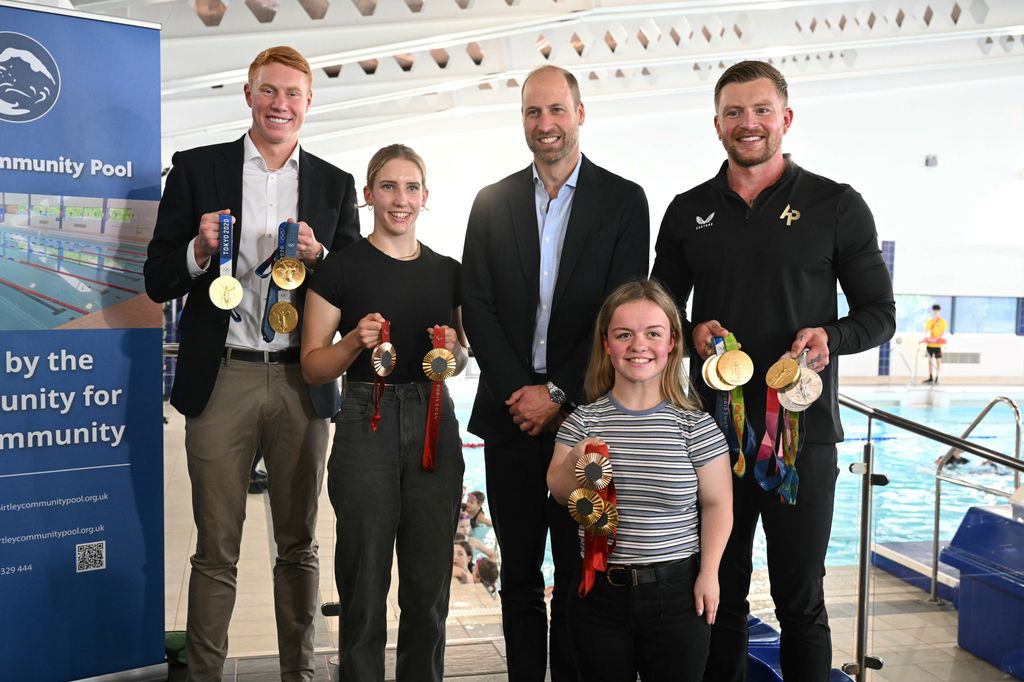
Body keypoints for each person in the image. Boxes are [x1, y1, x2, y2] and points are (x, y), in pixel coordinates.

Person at [650, 60, 896, 682]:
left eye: (761, 110)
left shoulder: (836, 205)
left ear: (785, 119)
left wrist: (829, 337)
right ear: (717, 125)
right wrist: (687, 334)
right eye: (734, 112)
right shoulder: (687, 211)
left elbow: (880, 315)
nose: (748, 123)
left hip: (802, 437)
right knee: (717, 598)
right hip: (713, 441)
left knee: (801, 605)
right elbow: (657, 312)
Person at [143, 46, 360, 682]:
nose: (280, 105)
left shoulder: (334, 184)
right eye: (269, 91)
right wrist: (196, 248)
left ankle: (302, 673)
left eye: (293, 94)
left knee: (298, 546)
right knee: (216, 549)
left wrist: (321, 260)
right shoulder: (195, 169)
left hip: (302, 377)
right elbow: (157, 280)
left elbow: (354, 295)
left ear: (309, 103)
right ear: (248, 95)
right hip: (224, 377)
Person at [461, 64, 650, 682]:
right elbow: (477, 304)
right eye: (532, 113)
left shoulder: (623, 202)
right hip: (511, 415)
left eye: (556, 110)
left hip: (586, 418)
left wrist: (558, 392)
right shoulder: (492, 202)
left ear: (580, 113)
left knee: (579, 575)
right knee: (518, 574)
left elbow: (620, 313)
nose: (545, 125)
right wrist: (524, 392)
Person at [300, 144, 468, 682]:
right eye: (389, 187)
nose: (401, 199)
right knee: (364, 581)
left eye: (412, 187)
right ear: (368, 194)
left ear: (426, 197)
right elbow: (312, 365)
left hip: (433, 423)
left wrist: (452, 351)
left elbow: (461, 358)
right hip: (363, 416)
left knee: (428, 585)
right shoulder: (341, 269)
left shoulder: (449, 272)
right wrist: (352, 341)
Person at [547, 279, 733, 681]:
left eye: (652, 333)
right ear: (607, 344)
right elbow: (560, 492)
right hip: (597, 592)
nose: (638, 345)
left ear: (672, 343)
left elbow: (718, 504)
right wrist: (578, 457)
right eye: (624, 334)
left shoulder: (694, 426)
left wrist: (710, 573)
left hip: (678, 594)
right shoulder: (583, 421)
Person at [923, 304, 948, 384]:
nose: (935, 312)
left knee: (938, 361)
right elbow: (926, 331)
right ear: (933, 311)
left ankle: (937, 377)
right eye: (934, 310)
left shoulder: (942, 322)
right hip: (929, 345)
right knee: (930, 361)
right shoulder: (929, 321)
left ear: (939, 311)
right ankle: (930, 377)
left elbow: (942, 332)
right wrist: (929, 337)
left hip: (937, 346)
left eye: (937, 310)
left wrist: (935, 339)